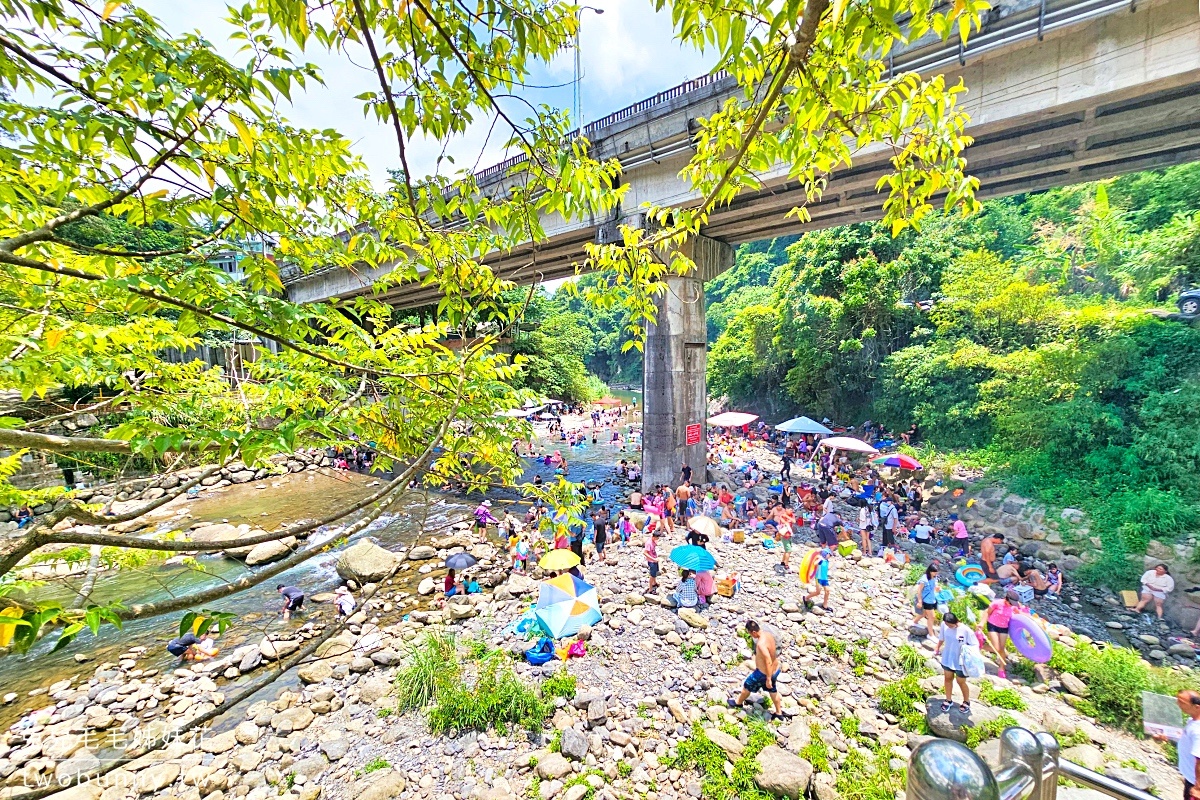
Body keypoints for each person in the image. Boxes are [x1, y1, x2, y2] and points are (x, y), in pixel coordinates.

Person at [729, 620, 787, 720]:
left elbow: (768, 661)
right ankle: (778, 712)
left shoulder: (761, 644)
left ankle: (738, 703)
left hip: (763, 673)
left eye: (750, 634)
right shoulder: (768, 634)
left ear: (754, 632)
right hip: (775, 669)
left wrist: (768, 678)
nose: (751, 636)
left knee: (747, 684)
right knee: (773, 690)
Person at [1152, 690, 1200, 799]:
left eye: (1182, 702)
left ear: (1196, 707)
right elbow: (1187, 740)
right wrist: (1166, 737)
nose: (1178, 704)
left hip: (1195, 782)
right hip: (1191, 778)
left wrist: (1198, 788)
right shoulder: (1192, 720)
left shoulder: (1198, 730)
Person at [933, 612, 977, 712]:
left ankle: (966, 701)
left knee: (960, 681)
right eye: (947, 624)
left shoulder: (966, 630)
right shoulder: (944, 625)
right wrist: (937, 648)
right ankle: (948, 700)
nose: (949, 626)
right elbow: (941, 638)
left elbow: (974, 645)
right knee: (948, 678)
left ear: (956, 621)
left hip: (961, 661)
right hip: (948, 658)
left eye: (951, 625)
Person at [983, 591, 1021, 677]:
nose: (1011, 605)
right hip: (993, 625)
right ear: (1006, 599)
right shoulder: (997, 603)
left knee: (1002, 648)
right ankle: (982, 646)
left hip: (1004, 627)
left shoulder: (1013, 607)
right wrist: (981, 623)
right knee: (996, 648)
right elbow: (987, 612)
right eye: (1010, 603)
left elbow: (1019, 614)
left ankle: (1001, 668)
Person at [912, 566, 940, 637]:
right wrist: (920, 601)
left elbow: (934, 588)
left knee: (924, 613)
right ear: (930, 571)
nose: (936, 573)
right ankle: (931, 634)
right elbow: (919, 591)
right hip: (926, 600)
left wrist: (937, 589)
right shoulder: (924, 579)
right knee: (932, 617)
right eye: (934, 572)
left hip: (932, 599)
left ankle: (914, 622)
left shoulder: (934, 577)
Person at [645, 528, 661, 594]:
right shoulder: (649, 543)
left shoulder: (653, 539)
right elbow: (645, 552)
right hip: (652, 561)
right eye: (657, 538)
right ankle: (650, 588)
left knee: (655, 573)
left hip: (655, 559)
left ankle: (655, 583)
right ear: (654, 537)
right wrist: (653, 559)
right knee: (652, 575)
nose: (658, 539)